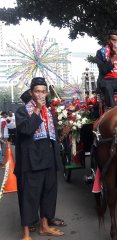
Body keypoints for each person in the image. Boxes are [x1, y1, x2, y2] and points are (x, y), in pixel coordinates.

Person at [15, 77, 65, 240]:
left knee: (48, 194)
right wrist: (37, 108)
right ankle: (26, 234)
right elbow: (28, 129)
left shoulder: (49, 111)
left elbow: (53, 135)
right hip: (32, 160)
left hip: (49, 158)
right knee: (30, 196)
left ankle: (44, 226)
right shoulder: (22, 111)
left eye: (43, 91)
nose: (41, 95)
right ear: (31, 93)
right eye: (37, 91)